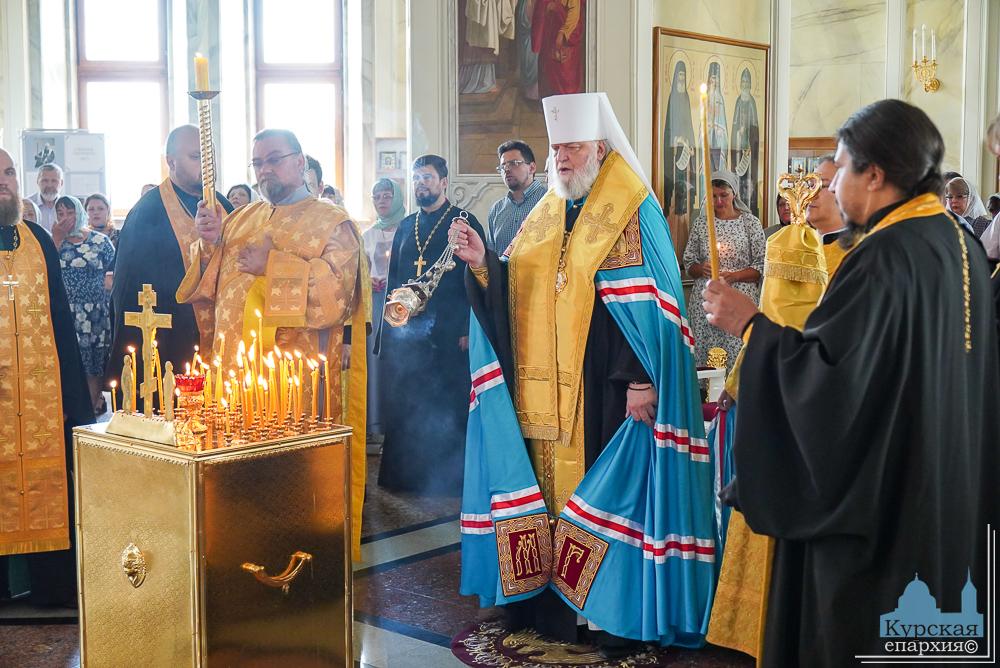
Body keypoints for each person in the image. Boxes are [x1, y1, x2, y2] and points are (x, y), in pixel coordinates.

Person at [702, 99, 999, 668]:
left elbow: (830, 388)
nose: (832, 186)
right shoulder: (957, 245)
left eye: (838, 169)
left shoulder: (885, 258)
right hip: (948, 500)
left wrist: (751, 326)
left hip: (882, 523)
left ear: (876, 174)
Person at [451, 92, 716, 657]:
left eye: (572, 147)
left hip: (605, 389)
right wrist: (481, 265)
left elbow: (650, 302)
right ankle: (550, 606)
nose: (562, 157)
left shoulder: (630, 207)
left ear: (599, 147)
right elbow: (517, 288)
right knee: (545, 496)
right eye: (556, 148)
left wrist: (641, 378)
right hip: (542, 397)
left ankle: (606, 613)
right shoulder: (548, 211)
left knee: (607, 493)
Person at [177, 127, 369, 557]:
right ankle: (234, 551)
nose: (265, 170)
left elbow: (334, 297)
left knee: (286, 482)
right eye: (258, 163)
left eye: (274, 159)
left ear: (301, 162)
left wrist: (273, 266)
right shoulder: (242, 219)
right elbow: (212, 288)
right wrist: (209, 243)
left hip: (291, 383)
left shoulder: (331, 222)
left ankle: (292, 558)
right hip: (232, 374)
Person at [0, 148, 93, 607]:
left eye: (10, 172)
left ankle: (52, 588)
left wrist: (77, 405)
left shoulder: (37, 238)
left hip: (41, 397)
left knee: (47, 484)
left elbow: (61, 322)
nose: (5, 180)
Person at [377, 154, 485, 495]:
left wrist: (469, 327)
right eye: (416, 177)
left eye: (427, 177)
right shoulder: (407, 225)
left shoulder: (464, 223)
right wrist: (390, 328)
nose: (420, 183)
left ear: (443, 182)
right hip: (409, 334)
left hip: (450, 332)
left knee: (446, 404)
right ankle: (406, 477)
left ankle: (449, 480)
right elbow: (395, 277)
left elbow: (477, 277)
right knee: (408, 402)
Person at [106, 125, 234, 409]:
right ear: (171, 162)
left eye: (208, 157)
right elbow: (128, 292)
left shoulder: (221, 204)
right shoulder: (147, 213)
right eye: (195, 156)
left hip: (221, 334)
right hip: (172, 337)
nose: (205, 165)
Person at [683, 169, 765, 370]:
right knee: (706, 359)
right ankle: (705, 399)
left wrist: (733, 276)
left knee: (737, 358)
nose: (719, 201)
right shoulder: (702, 223)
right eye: (713, 196)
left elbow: (762, 265)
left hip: (739, 300)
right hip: (706, 303)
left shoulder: (750, 223)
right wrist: (701, 269)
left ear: (734, 194)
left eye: (724, 195)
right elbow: (688, 263)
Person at [52, 195, 116, 414]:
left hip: (95, 312)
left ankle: (90, 407)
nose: (65, 218)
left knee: (94, 361)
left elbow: (114, 271)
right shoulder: (55, 241)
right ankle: (70, 410)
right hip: (66, 312)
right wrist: (57, 238)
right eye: (60, 213)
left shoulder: (100, 241)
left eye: (70, 212)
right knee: (68, 361)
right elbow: (45, 269)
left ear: (79, 212)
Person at [363, 178, 406, 445]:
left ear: (398, 198)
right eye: (377, 196)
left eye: (387, 195)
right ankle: (376, 423)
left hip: (401, 304)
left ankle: (400, 424)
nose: (382, 200)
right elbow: (358, 269)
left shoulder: (408, 229)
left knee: (399, 361)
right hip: (375, 303)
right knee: (375, 362)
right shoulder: (366, 235)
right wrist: (369, 279)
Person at [662, 60, 696, 262]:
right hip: (674, 156)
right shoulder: (673, 98)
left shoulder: (686, 98)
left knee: (686, 202)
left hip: (686, 156)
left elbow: (690, 124)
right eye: (679, 77)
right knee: (675, 200)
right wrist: (677, 141)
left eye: (684, 76)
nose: (682, 80)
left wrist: (690, 143)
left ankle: (684, 248)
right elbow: (668, 129)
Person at [486, 139, 545, 254]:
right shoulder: (497, 209)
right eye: (503, 166)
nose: (507, 169)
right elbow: (491, 255)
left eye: (514, 163)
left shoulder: (549, 201)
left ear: (532, 168)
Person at [805, 155, 850, 274]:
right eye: (810, 185)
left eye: (823, 185)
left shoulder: (856, 253)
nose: (811, 194)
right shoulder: (801, 245)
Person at [531, 0, 586, 97]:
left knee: (565, 78)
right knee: (550, 77)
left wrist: (563, 33)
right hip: (550, 37)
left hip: (566, 37)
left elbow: (574, 13)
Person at [730, 68, 760, 218]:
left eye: (747, 81)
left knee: (749, 182)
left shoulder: (752, 102)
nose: (745, 84)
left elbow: (755, 128)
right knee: (739, 181)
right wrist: (738, 133)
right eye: (743, 81)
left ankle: (748, 208)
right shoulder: (737, 101)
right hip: (738, 150)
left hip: (750, 152)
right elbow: (735, 125)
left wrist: (749, 143)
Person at [27, 162, 63, 233]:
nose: (49, 185)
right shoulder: (26, 205)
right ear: (38, 181)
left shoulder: (69, 207)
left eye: (54, 181)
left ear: (61, 183)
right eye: (45, 181)